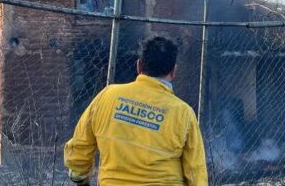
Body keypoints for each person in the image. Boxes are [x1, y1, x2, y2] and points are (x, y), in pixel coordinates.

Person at [64, 36, 208, 185]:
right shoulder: (183, 113)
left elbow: (79, 148)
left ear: (138, 66)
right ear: (173, 71)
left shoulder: (108, 96)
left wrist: (80, 178)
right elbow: (196, 171)